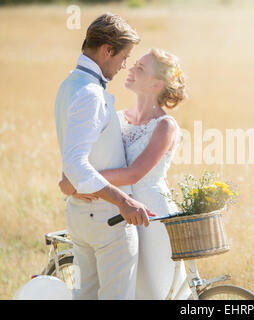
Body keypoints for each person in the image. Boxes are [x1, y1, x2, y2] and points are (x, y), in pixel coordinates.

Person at [59, 48, 191, 299]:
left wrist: (84, 181)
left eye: (140, 68)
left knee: (152, 288)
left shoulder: (165, 125)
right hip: (117, 211)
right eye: (134, 64)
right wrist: (79, 177)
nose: (130, 68)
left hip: (151, 214)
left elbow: (134, 173)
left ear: (156, 84)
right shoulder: (118, 118)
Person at [54, 13, 155, 300]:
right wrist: (124, 201)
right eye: (124, 57)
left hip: (80, 215)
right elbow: (76, 163)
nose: (125, 66)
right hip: (107, 220)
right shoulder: (89, 93)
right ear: (107, 50)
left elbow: (75, 154)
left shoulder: (70, 84)